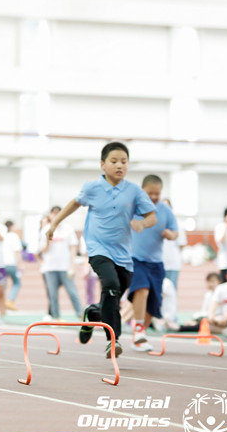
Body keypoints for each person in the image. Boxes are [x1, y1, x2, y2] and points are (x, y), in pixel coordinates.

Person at [46, 141, 156, 358]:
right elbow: (74, 203)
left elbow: (152, 216)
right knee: (112, 286)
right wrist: (54, 223)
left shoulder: (134, 191)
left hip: (124, 255)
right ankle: (112, 341)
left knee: (112, 297)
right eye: (114, 161)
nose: (119, 166)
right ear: (102, 165)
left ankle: (93, 313)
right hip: (98, 249)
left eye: (124, 162)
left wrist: (142, 224)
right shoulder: (92, 188)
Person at [126, 177, 178, 351]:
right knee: (142, 289)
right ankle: (138, 328)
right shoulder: (133, 207)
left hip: (156, 262)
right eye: (150, 193)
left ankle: (139, 336)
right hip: (135, 259)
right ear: (142, 191)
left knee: (154, 303)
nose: (154, 197)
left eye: (158, 193)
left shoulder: (164, 209)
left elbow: (175, 231)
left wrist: (170, 234)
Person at [38, 206, 83, 320]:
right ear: (50, 215)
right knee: (52, 294)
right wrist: (49, 240)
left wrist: (73, 266)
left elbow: (73, 248)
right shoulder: (45, 229)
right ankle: (55, 317)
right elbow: (42, 250)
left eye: (58, 213)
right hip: (49, 267)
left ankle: (81, 315)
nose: (56, 216)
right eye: (53, 213)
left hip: (65, 267)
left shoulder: (68, 229)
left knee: (72, 292)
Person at [160, 198, 185, 291]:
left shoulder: (178, 225)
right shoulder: (154, 222)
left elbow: (182, 245)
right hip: (158, 263)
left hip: (173, 263)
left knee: (171, 291)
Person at [2, 220, 23, 311]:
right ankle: (10, 300)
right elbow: (17, 251)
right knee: (17, 283)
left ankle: (2, 302)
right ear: (11, 227)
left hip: (2, 264)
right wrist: (20, 263)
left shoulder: (2, 236)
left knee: (3, 284)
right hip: (11, 264)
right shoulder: (14, 236)